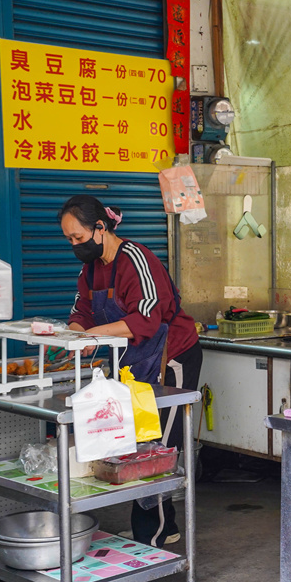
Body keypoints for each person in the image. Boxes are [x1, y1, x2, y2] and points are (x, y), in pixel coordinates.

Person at [59, 195, 201, 547]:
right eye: (69, 240)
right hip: (133, 366)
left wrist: (94, 333)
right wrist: (77, 335)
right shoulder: (91, 268)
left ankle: (147, 539)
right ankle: (165, 528)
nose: (74, 246)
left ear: (100, 228)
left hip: (171, 360)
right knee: (138, 445)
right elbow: (81, 314)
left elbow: (147, 319)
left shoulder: (135, 259)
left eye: (78, 238)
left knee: (158, 450)